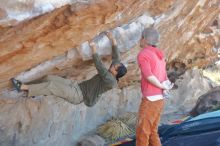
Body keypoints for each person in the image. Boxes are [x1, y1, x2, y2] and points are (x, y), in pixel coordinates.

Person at [10, 32, 127, 107]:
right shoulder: (115, 69)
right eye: (115, 65)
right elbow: (117, 57)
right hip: (76, 86)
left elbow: (100, 67)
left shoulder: (111, 82)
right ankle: (30, 90)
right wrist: (112, 39)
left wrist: (94, 49)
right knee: (48, 78)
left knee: (51, 86)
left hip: (77, 95)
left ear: (116, 73)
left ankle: (22, 87)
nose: (113, 66)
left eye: (115, 67)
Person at [136, 28, 173, 146]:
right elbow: (164, 75)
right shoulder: (159, 53)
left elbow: (149, 76)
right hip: (160, 99)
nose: (139, 40)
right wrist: (164, 86)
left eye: (141, 37)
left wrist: (160, 85)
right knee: (152, 131)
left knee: (142, 132)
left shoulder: (143, 54)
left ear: (145, 39)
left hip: (150, 99)